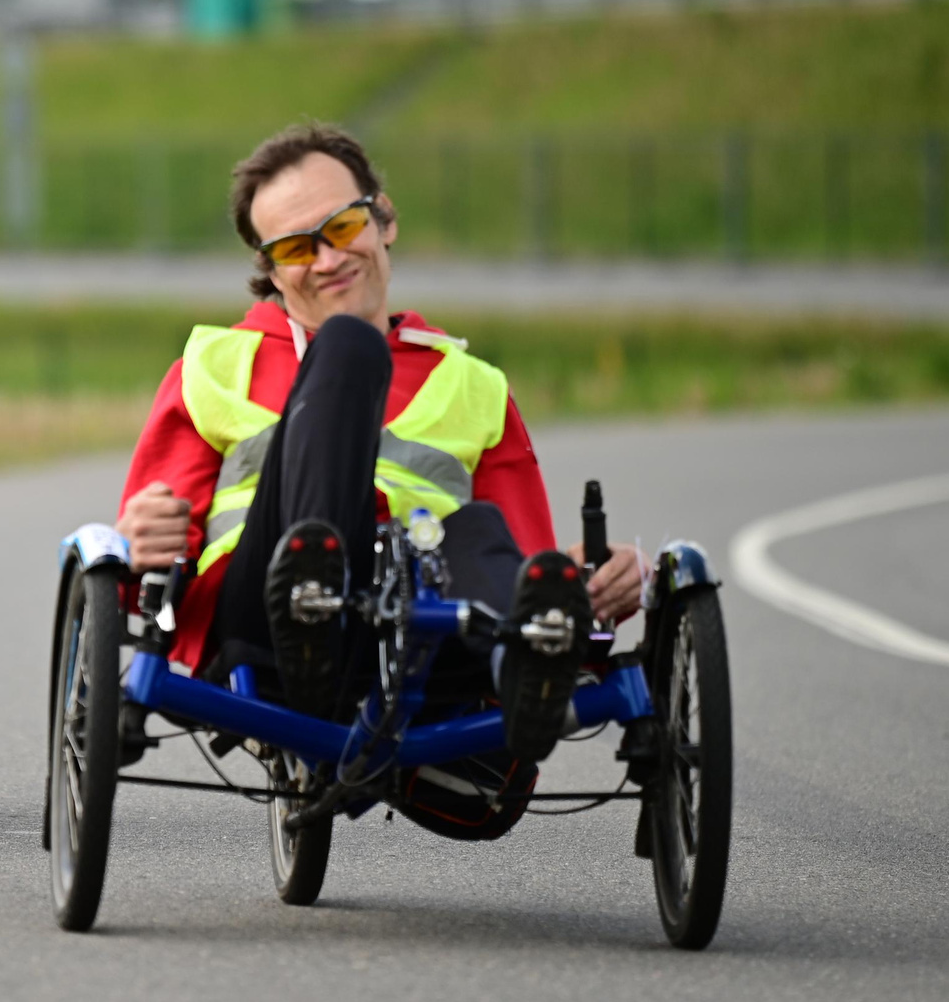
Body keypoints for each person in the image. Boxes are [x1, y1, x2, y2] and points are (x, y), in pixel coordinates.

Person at [114, 123, 644, 772]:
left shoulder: (475, 385)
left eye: (341, 229)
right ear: (271, 270)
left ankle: (526, 672)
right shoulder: (215, 365)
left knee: (478, 527)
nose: (328, 260)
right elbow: (145, 561)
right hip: (263, 619)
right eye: (295, 248)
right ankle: (312, 599)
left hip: (423, 633)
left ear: (384, 219)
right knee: (348, 344)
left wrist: (592, 583)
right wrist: (139, 540)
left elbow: (523, 557)